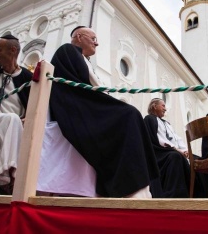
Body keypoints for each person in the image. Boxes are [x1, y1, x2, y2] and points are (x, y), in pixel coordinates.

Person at [49, 26, 159, 198]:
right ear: (78, 37)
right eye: (93, 38)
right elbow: (83, 87)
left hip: (87, 104)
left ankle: (139, 183)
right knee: (129, 114)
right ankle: (130, 186)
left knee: (130, 114)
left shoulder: (82, 58)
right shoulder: (68, 50)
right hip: (78, 108)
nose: (97, 43)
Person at [144, 98, 208, 198]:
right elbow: (158, 139)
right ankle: (176, 194)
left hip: (173, 150)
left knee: (197, 159)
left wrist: (185, 150)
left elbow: (176, 138)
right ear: (154, 106)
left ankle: (201, 194)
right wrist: (176, 149)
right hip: (160, 153)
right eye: (163, 106)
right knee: (175, 156)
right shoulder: (149, 119)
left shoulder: (167, 124)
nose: (165, 109)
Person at [0, 34, 32, 194]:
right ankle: (8, 176)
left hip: (13, 131)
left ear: (13, 50)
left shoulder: (27, 79)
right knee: (12, 119)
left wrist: (28, 118)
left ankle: (6, 173)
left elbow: (33, 108)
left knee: (13, 120)